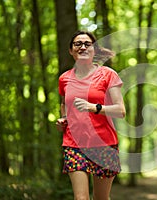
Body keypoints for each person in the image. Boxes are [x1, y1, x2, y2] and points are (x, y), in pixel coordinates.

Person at [56, 30, 125, 200]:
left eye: (88, 44)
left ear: (95, 50)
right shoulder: (64, 79)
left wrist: (94, 107)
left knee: (101, 198)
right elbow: (65, 104)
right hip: (74, 144)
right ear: (71, 50)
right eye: (77, 44)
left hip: (104, 143)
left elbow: (120, 110)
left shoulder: (108, 74)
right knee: (81, 198)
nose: (82, 47)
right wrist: (63, 119)